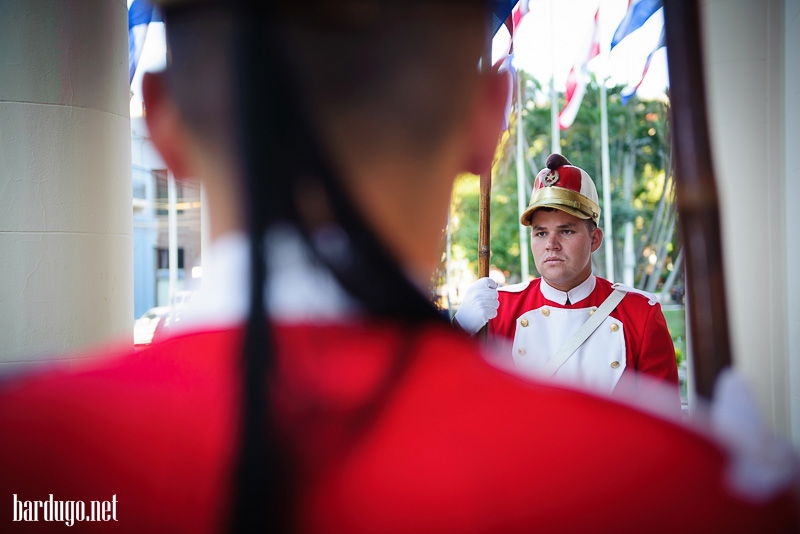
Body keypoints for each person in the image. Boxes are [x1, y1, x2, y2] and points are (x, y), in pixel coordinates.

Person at [0, 2, 796, 533]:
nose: (552, 242)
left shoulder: (25, 461)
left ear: (161, 122)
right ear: (488, 121)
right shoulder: (688, 493)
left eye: (565, 230)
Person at [455, 154, 679, 394]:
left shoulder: (639, 315)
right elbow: (455, 400)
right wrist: (459, 330)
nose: (551, 244)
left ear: (595, 240)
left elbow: (662, 421)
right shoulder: (499, 310)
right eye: (540, 233)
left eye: (566, 231)